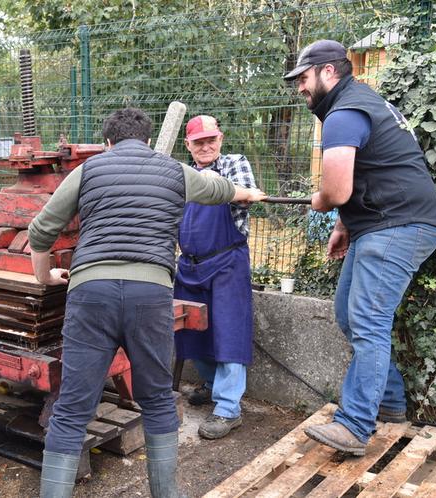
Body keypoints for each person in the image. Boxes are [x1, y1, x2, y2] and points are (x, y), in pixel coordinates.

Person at [28, 107, 266, 497]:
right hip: (152, 295)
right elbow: (222, 189)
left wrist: (45, 276)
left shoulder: (88, 170)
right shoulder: (174, 170)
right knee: (155, 399)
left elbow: (41, 230)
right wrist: (250, 193)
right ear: (148, 140)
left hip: (91, 293)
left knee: (72, 407)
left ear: (108, 142)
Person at [284, 40, 436, 456]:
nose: (299, 88)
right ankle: (390, 404)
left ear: (328, 72)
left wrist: (324, 203)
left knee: (368, 319)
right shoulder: (360, 102)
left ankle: (355, 426)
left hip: (399, 225)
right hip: (381, 224)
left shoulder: (344, 112)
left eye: (303, 78)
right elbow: (372, 171)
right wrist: (344, 225)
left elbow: (336, 188)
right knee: (348, 314)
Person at [173, 115, 257, 440]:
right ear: (188, 145)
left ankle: (228, 409)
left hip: (227, 263)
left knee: (229, 332)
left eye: (211, 140)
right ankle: (211, 384)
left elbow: (243, 192)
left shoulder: (234, 164)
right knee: (191, 332)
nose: (206, 146)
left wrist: (205, 180)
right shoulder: (179, 175)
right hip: (189, 266)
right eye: (199, 142)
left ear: (220, 139)